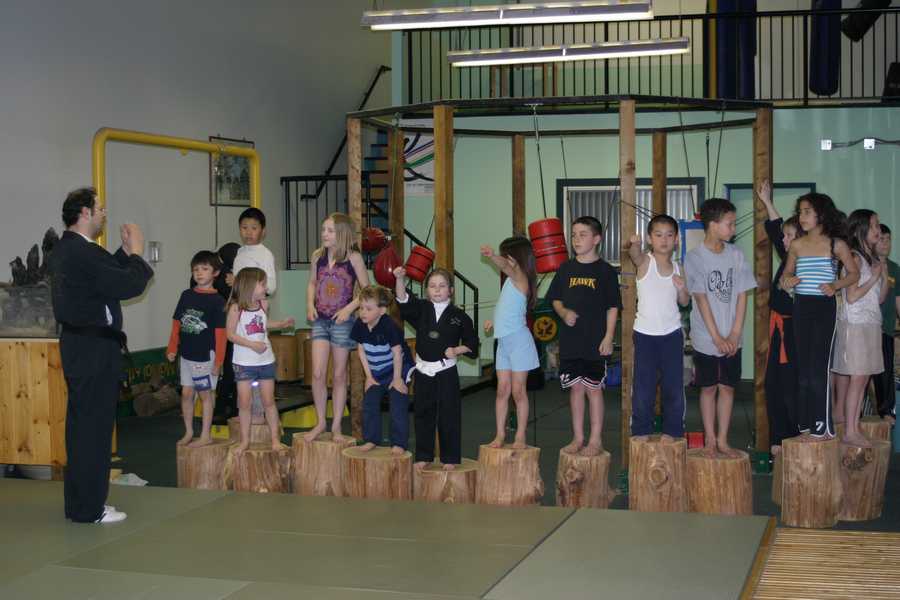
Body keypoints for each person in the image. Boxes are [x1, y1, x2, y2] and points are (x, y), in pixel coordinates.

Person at [49, 187, 153, 524]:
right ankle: (89, 509)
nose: (104, 214)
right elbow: (126, 285)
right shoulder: (80, 251)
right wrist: (137, 253)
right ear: (85, 213)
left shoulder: (71, 249)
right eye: (100, 209)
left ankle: (80, 504)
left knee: (83, 427)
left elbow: (104, 276)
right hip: (92, 349)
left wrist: (123, 253)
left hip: (82, 346)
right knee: (93, 429)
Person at [780, 193, 858, 439]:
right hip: (801, 306)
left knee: (819, 369)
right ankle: (805, 423)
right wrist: (787, 281)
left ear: (821, 214)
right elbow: (784, 277)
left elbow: (854, 274)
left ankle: (823, 424)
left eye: (807, 212)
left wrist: (835, 285)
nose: (801, 217)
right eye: (800, 212)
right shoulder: (797, 245)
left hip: (824, 307)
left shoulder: (836, 245)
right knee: (803, 370)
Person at [685, 198, 756, 457]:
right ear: (713, 225)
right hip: (706, 337)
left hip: (732, 335)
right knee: (708, 388)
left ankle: (723, 440)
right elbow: (701, 299)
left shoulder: (736, 255)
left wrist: (735, 333)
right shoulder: (695, 257)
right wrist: (716, 337)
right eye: (730, 224)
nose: (733, 229)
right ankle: (710, 440)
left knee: (727, 387)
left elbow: (742, 294)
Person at [547, 216, 621, 456]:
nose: (576, 239)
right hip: (571, 342)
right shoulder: (565, 268)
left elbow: (613, 306)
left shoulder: (606, 271)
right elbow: (555, 299)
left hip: (595, 342)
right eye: (574, 235)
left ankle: (596, 439)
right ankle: (578, 437)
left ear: (596, 239)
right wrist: (563, 312)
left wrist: (608, 337)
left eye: (583, 235)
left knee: (594, 389)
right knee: (576, 389)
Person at [393, 266, 478, 470]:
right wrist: (399, 279)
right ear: (427, 290)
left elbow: (473, 344)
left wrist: (456, 350)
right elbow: (403, 299)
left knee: (449, 414)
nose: (437, 289)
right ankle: (424, 455)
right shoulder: (421, 308)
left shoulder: (460, 316)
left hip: (446, 371)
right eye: (432, 286)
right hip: (423, 371)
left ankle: (450, 458)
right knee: (423, 413)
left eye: (442, 286)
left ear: (451, 290)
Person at [304, 212, 369, 442]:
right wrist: (309, 304)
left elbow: (366, 290)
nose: (324, 234)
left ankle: (337, 426)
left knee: (340, 374)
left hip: (342, 322)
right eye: (324, 229)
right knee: (318, 372)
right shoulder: (317, 256)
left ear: (342, 234)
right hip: (321, 320)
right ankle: (321, 421)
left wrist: (348, 309)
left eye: (330, 230)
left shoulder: (353, 258)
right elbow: (312, 283)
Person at [625, 214, 689, 442]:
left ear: (676, 239)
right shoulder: (645, 262)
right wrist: (634, 244)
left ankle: (673, 430)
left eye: (669, 235)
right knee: (644, 386)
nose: (664, 240)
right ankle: (641, 429)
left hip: (671, 334)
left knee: (673, 385)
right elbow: (634, 255)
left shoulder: (679, 267)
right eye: (659, 235)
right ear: (650, 239)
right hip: (645, 335)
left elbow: (684, 302)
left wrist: (682, 289)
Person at [831, 209, 886, 447]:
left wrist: (881, 271)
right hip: (855, 325)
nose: (878, 230)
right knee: (857, 378)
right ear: (860, 229)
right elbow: (851, 297)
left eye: (878, 225)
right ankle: (850, 430)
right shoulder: (853, 257)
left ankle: (854, 426)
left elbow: (880, 298)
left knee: (863, 379)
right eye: (874, 225)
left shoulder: (871, 259)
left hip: (871, 323)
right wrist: (873, 278)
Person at [226, 268, 295, 454]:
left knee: (269, 402)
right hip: (244, 364)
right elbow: (230, 334)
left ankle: (275, 439)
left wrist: (280, 324)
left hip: (265, 362)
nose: (266, 288)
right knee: (245, 403)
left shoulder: (264, 304)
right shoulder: (236, 308)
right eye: (262, 284)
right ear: (249, 285)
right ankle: (244, 441)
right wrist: (251, 344)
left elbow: (263, 324)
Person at [482, 236, 539, 449]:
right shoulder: (509, 281)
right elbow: (506, 307)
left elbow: (505, 265)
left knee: (518, 391)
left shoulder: (520, 277)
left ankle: (520, 435)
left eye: (506, 255)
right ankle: (500, 434)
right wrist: (493, 321)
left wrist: (492, 256)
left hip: (519, 342)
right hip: (504, 342)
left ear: (516, 258)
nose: (503, 260)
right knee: (502, 390)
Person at [166, 250, 227, 447]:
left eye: (205, 269)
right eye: (196, 269)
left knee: (205, 394)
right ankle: (189, 431)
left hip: (205, 357)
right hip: (186, 355)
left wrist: (218, 362)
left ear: (215, 273)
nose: (199, 273)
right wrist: (172, 347)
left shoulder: (218, 302)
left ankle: (206, 434)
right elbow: (177, 323)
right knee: (186, 393)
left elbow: (221, 335)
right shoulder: (186, 295)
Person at [758, 180, 800, 455]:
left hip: (795, 332)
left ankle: (792, 438)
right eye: (785, 236)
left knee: (790, 387)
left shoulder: (808, 263)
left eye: (790, 236)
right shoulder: (789, 257)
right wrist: (767, 201)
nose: (784, 240)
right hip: (778, 328)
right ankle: (777, 440)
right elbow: (776, 229)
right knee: (772, 385)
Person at [350, 285, 414, 455]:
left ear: (382, 310)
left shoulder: (389, 326)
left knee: (397, 401)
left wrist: (397, 379)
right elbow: (361, 350)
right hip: (377, 371)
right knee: (369, 402)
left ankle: (399, 442)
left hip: (398, 367)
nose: (363, 312)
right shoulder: (360, 324)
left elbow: (397, 353)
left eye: (368, 309)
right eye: (361, 308)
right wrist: (369, 377)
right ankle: (371, 439)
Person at [873, 224, 899, 423]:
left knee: (886, 371)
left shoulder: (895, 268)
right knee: (862, 374)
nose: (885, 243)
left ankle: (887, 411)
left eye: (888, 239)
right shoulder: (865, 264)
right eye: (881, 239)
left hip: (886, 328)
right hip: (866, 327)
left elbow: (898, 300)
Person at [230, 208, 276, 295]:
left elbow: (271, 287)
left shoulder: (265, 255)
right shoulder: (240, 251)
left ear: (263, 231)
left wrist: (240, 282)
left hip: (255, 301)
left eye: (254, 228)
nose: (248, 232)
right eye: (244, 228)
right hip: (240, 300)